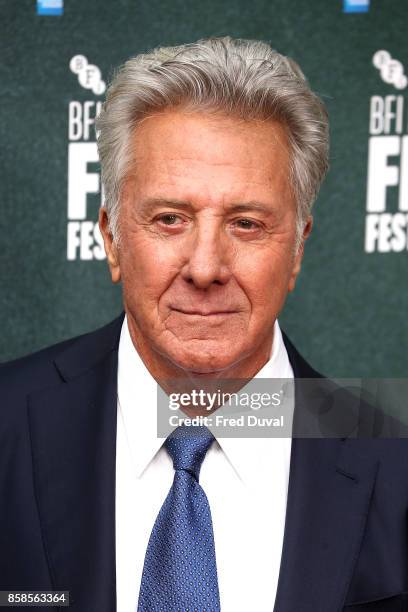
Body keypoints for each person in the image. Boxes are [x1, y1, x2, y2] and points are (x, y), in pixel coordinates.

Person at [1, 36, 407, 612]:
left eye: (246, 224)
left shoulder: (392, 462)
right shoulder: (8, 422)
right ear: (112, 238)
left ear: (296, 250)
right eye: (170, 219)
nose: (206, 267)